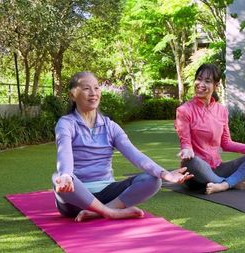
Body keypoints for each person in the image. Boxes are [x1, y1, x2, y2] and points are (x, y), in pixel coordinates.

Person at [52, 71, 193, 222]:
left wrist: (165, 174)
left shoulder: (110, 127)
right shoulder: (66, 124)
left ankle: (99, 212)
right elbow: (64, 153)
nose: (93, 93)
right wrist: (66, 175)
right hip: (76, 199)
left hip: (107, 192)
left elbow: (135, 155)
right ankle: (111, 212)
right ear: (73, 95)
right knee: (58, 178)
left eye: (97, 88)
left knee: (153, 180)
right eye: (86, 89)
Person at [174, 64, 245, 195]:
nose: (201, 84)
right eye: (199, 79)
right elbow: (185, 140)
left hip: (217, 168)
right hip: (196, 173)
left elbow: (226, 143)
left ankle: (224, 184)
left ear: (216, 85)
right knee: (191, 162)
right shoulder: (184, 110)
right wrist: (187, 149)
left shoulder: (221, 110)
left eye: (207, 81)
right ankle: (232, 183)